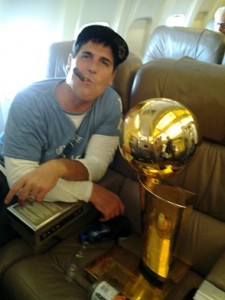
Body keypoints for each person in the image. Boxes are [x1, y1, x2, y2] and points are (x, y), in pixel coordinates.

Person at [0, 24, 129, 244]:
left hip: (56, 180)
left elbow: (96, 165)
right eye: (86, 56)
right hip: (6, 173)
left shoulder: (110, 103)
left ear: (111, 77)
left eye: (104, 62)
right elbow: (21, 180)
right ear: (70, 62)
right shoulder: (29, 101)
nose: (92, 68)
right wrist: (90, 192)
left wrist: (59, 166)